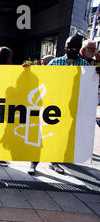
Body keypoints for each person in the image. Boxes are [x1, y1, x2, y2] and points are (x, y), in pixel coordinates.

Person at [27, 34, 88, 175]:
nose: (69, 50)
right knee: (43, 133)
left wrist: (95, 75)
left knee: (61, 135)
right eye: (67, 47)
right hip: (52, 105)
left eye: (72, 48)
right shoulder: (55, 62)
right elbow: (43, 80)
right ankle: (34, 162)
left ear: (78, 48)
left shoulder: (85, 66)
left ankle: (54, 162)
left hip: (70, 108)